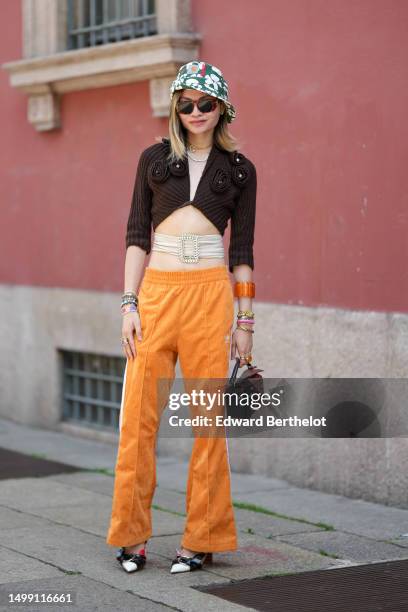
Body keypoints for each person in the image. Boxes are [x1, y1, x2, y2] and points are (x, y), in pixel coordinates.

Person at [106, 60, 257, 574]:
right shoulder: (153, 159)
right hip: (156, 297)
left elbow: (243, 251)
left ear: (222, 109)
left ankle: (203, 538)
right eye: (186, 103)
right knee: (138, 423)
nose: (195, 112)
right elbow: (135, 236)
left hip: (210, 299)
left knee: (207, 424)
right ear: (176, 108)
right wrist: (128, 304)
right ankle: (131, 537)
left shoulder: (239, 170)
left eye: (205, 104)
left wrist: (245, 322)